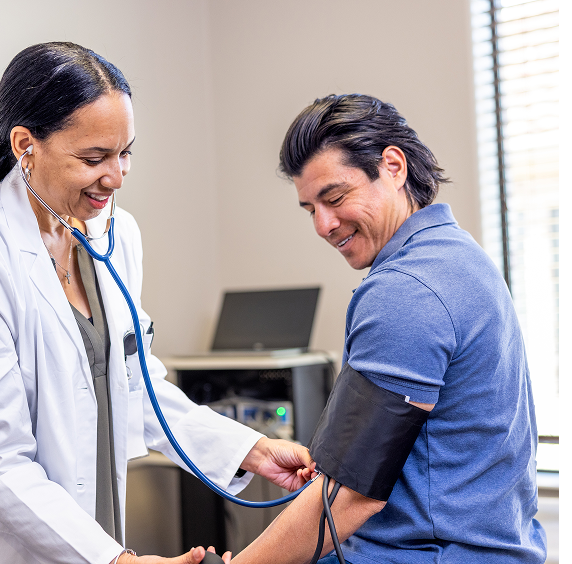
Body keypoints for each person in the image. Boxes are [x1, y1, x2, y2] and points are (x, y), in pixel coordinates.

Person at [0, 42, 313, 564]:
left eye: (125, 152)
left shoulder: (115, 234)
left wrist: (248, 447)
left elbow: (137, 386)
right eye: (93, 158)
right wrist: (120, 562)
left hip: (85, 527)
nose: (117, 176)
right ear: (25, 145)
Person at [230, 94, 546, 564]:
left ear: (393, 166)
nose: (323, 224)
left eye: (335, 198)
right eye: (309, 208)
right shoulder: (460, 257)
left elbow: (352, 494)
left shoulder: (406, 290)